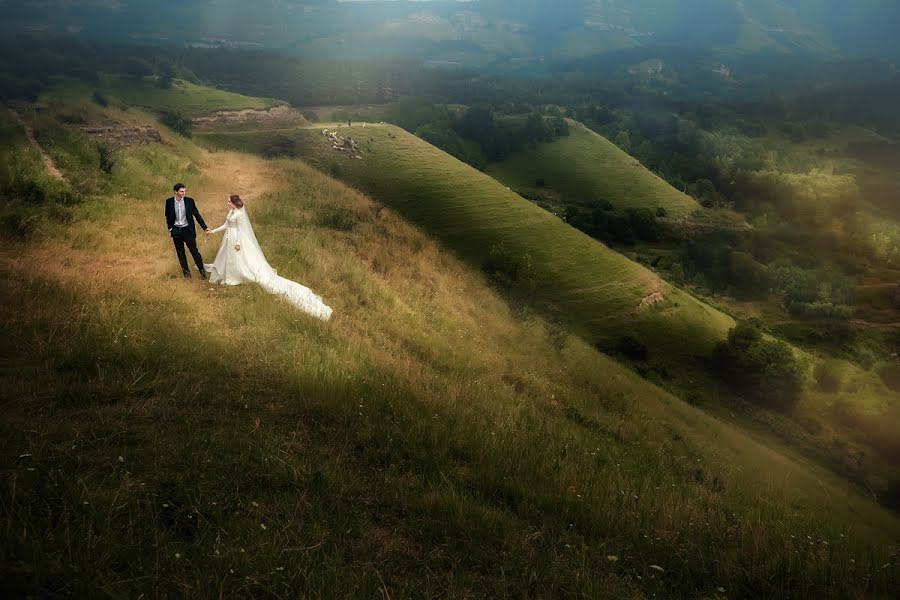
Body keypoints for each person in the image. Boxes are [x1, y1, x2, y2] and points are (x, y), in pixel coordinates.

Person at [205, 194, 333, 321]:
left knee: (239, 260)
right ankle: (229, 273)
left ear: (233, 203)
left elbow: (241, 230)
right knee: (228, 258)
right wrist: (214, 231)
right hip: (229, 237)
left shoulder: (239, 214)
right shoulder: (232, 212)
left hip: (236, 240)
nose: (227, 203)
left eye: (228, 201)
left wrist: (238, 243)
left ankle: (236, 275)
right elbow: (226, 225)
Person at [164, 183, 210, 278]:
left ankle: (202, 272)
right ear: (175, 192)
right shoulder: (169, 202)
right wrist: (170, 228)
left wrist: (205, 227)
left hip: (188, 230)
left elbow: (196, 215)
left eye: (184, 191)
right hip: (176, 230)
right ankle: (187, 274)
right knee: (180, 253)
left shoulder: (189, 201)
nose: (183, 193)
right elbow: (167, 216)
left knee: (194, 251)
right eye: (181, 191)